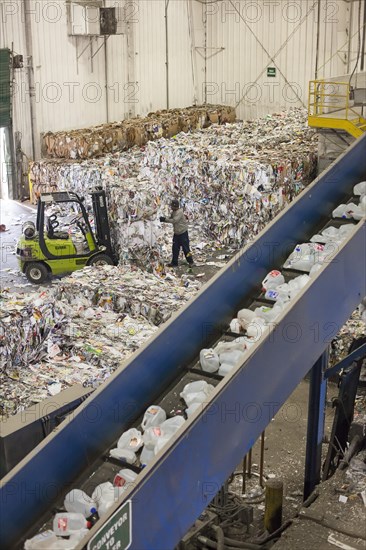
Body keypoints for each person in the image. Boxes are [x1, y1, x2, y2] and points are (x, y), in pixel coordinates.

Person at [159, 199, 194, 267]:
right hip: (177, 233)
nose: (171, 207)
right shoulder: (174, 212)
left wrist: (164, 220)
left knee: (186, 249)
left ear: (175, 206)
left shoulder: (179, 212)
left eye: (172, 206)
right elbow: (171, 218)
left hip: (183, 233)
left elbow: (174, 220)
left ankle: (191, 261)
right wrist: (164, 218)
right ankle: (174, 263)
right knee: (175, 248)